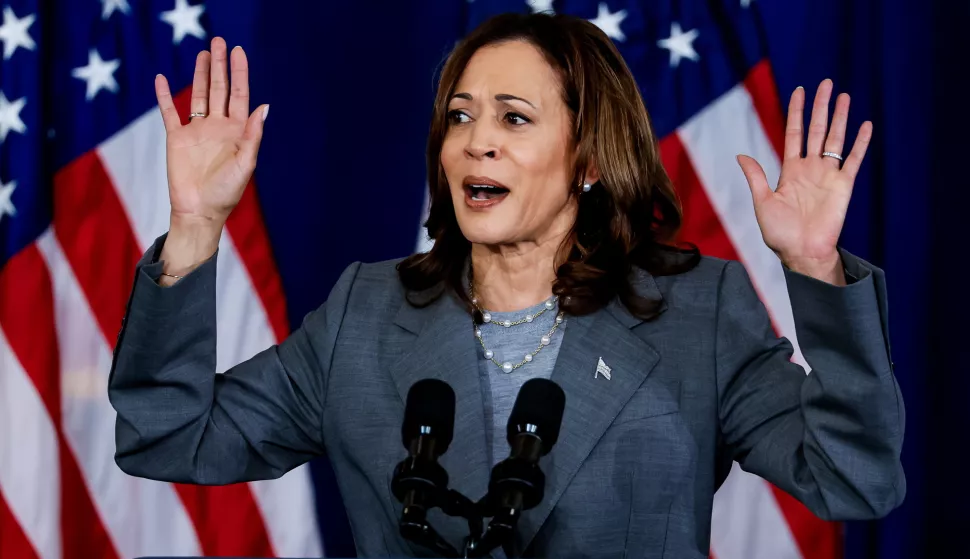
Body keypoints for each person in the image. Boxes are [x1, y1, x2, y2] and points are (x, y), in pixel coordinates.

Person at [107, 12, 905, 559]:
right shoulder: (366, 311)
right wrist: (195, 227)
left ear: (589, 159)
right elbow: (170, 434)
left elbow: (852, 476)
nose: (476, 141)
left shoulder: (699, 311)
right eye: (459, 116)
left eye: (514, 118)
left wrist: (813, 272)